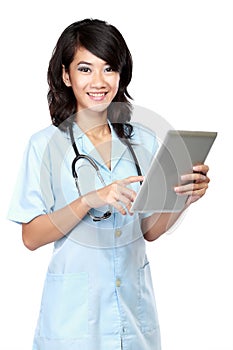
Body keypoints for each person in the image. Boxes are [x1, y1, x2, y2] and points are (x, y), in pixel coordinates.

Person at [8, 19, 210, 350]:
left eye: (109, 69)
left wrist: (183, 199)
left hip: (133, 319)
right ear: (65, 75)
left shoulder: (142, 140)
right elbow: (30, 237)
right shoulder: (44, 145)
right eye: (85, 69)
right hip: (74, 322)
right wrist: (88, 200)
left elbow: (149, 230)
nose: (99, 82)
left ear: (120, 75)